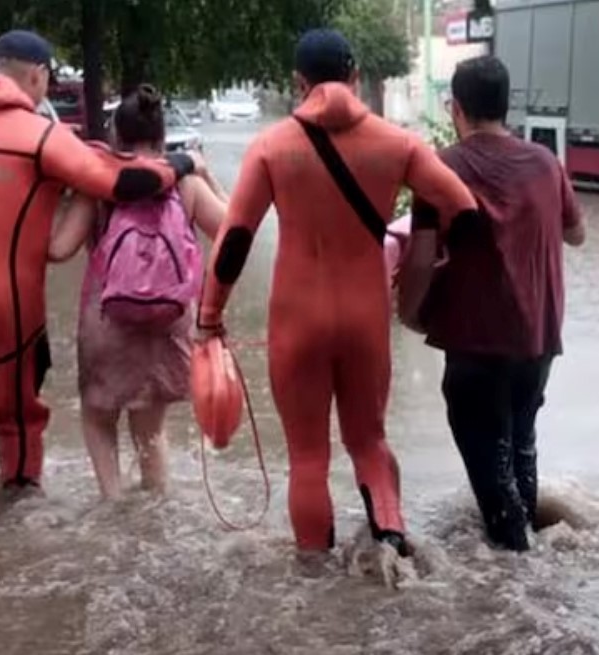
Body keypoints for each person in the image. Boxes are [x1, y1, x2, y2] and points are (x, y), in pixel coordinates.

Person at [197, 29, 478, 560]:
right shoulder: (399, 144)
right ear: (354, 77)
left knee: (308, 457)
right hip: (365, 318)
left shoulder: (272, 147)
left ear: (299, 84)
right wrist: (439, 268)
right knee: (369, 443)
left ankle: (314, 582)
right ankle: (392, 549)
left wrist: (209, 317)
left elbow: (235, 238)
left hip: (296, 320)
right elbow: (463, 209)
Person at [0, 30, 198, 534]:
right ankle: (20, 492)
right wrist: (185, 162)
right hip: (8, 303)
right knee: (16, 410)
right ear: (37, 76)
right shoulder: (39, 135)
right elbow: (125, 183)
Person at [410, 55, 585, 552]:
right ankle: (533, 563)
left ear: (454, 108)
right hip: (538, 341)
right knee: (520, 444)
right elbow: (578, 234)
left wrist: (408, 311)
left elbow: (421, 259)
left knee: (490, 462)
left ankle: (517, 578)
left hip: (475, 342)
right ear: (506, 106)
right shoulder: (546, 164)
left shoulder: (439, 167)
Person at [48, 85, 228, 500]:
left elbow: (58, 250)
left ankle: (112, 502)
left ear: (115, 138)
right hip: (169, 318)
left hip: (108, 319)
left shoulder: (98, 186)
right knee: (150, 428)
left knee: (98, 416)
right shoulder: (184, 186)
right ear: (163, 139)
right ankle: (155, 505)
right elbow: (233, 230)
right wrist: (203, 172)